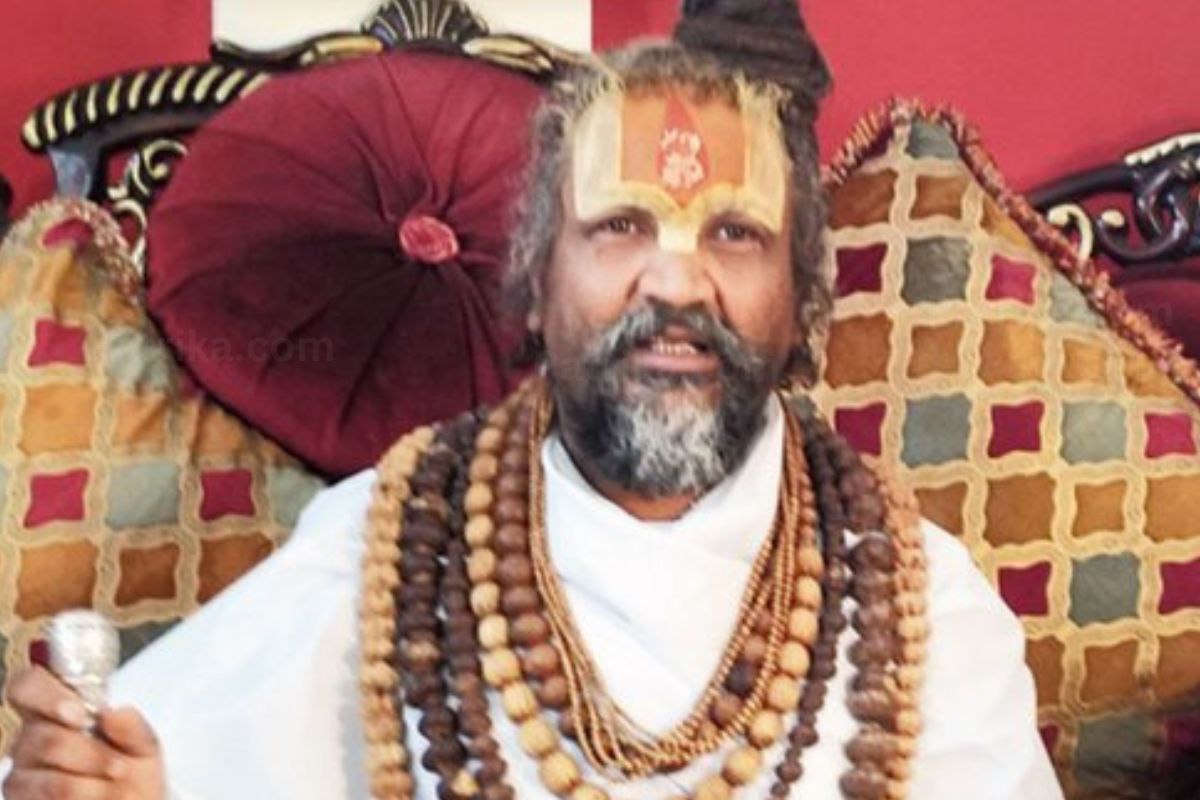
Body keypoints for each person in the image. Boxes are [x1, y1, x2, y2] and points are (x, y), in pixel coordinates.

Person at [1, 1, 1063, 797]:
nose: (676, 283)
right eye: (622, 225)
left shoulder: (925, 610)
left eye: (735, 233)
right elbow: (160, 760)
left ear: (802, 304)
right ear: (535, 283)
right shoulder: (388, 549)